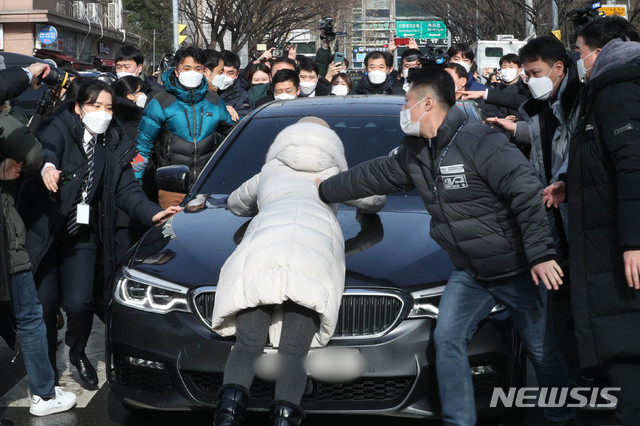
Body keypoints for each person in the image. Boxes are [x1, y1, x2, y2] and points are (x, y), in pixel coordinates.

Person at [317, 66, 574, 426]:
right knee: (448, 339)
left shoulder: (479, 141)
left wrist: (541, 254)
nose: (402, 110)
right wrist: (321, 189)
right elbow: (371, 175)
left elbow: (526, 192)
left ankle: (561, 417)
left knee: (542, 353)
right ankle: (459, 419)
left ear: (426, 104)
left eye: (406, 102)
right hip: (471, 273)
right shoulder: (415, 153)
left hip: (518, 268)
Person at [211, 117, 384, 426]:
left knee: (247, 344)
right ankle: (284, 419)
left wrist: (266, 199)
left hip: (263, 248)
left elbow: (236, 204)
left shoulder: (268, 172)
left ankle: (227, 417)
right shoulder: (333, 173)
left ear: (286, 141)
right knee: (293, 350)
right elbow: (373, 200)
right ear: (331, 144)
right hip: (312, 254)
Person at [18, 80, 181, 390]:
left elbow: (127, 190)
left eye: (108, 107)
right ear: (79, 108)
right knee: (47, 304)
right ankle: (48, 368)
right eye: (94, 106)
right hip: (46, 233)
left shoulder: (113, 142)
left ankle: (77, 352)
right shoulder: (61, 126)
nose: (102, 114)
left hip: (82, 234)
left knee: (81, 303)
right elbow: (48, 147)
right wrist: (48, 167)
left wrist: (153, 213)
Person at [543, 16, 640, 426]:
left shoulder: (618, 90)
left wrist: (634, 242)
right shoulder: (605, 89)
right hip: (606, 241)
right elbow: (602, 155)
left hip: (619, 248)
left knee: (626, 347)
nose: (578, 60)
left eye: (580, 52)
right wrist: (570, 179)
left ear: (600, 52)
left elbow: (633, 166)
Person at [0, 61, 77, 416]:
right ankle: (44, 394)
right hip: (6, 238)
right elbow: (31, 155)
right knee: (30, 315)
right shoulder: (6, 122)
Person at [134, 46, 234, 208]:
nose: (192, 72)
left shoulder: (214, 102)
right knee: (170, 230)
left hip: (206, 187)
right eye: (187, 68)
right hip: (171, 188)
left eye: (197, 68)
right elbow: (143, 147)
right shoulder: (161, 102)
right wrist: (136, 185)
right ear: (177, 71)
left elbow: (233, 133)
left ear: (203, 71)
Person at [218, 50, 252, 119]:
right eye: (221, 72)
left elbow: (242, 121)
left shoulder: (242, 95)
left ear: (237, 74)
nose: (224, 76)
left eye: (230, 73)